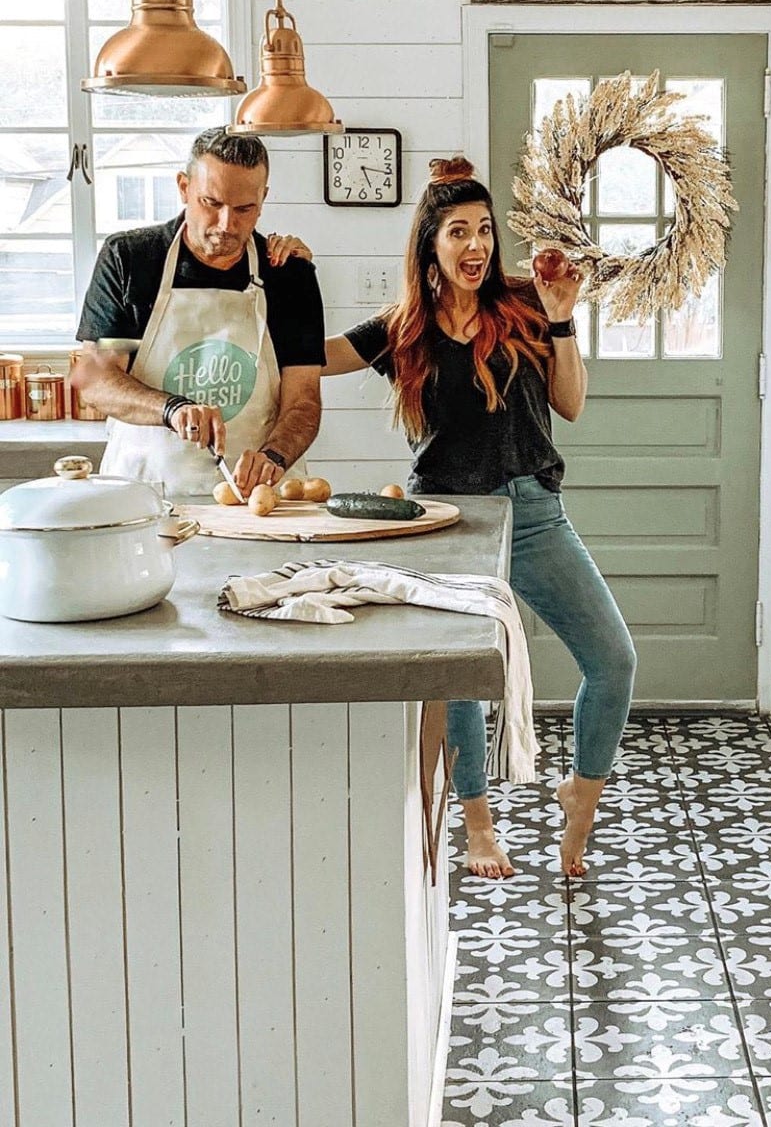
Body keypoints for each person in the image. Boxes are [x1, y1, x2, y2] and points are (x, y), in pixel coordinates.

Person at [322, 157, 636, 878]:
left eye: (485, 231)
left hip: (533, 512)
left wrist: (561, 320)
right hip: (448, 521)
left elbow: (571, 404)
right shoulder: (402, 328)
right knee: (461, 677)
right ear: (429, 242)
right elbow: (306, 357)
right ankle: (478, 825)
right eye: (458, 231)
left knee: (613, 661)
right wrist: (279, 276)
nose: (476, 246)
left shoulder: (529, 303)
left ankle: (579, 798)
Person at [74, 127, 324, 497]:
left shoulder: (289, 275)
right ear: (183, 187)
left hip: (257, 499)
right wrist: (172, 408)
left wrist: (275, 455)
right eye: (212, 203)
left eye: (244, 209)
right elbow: (96, 382)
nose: (227, 225)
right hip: (145, 493)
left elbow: (303, 401)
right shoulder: (131, 260)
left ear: (263, 198)